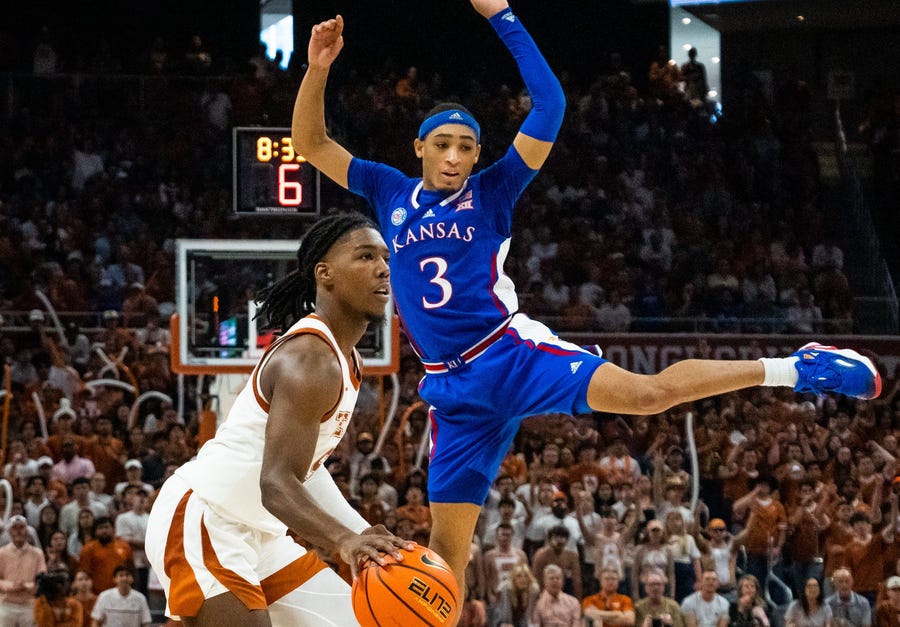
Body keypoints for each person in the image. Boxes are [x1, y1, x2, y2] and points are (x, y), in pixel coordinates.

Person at [291, 0, 882, 597]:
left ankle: (794, 368)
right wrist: (317, 69)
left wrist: (501, 13)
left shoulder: (495, 189)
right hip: (452, 391)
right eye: (442, 144)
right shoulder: (387, 189)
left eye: (466, 147)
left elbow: (551, 105)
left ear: (476, 155)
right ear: (418, 148)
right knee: (446, 563)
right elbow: (310, 143)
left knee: (647, 396)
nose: (454, 156)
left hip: (509, 354)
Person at [144, 213, 410, 626]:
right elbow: (276, 483)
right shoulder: (309, 360)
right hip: (206, 518)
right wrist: (343, 541)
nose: (382, 268)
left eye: (384, 258)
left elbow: (307, 471)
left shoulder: (347, 359)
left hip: (260, 535)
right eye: (364, 256)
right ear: (325, 274)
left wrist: (362, 532)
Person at [0, 515, 47, 627]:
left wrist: (26, 586)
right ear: (10, 531)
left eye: (21, 527)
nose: (18, 531)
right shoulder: (1, 553)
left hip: (29, 604)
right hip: (6, 604)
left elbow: (42, 579)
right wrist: (11, 586)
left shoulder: (37, 553)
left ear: (27, 530)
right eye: (15, 528)